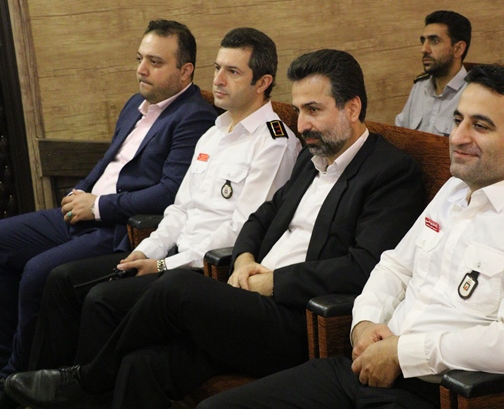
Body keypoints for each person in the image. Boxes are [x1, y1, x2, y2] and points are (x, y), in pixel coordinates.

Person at [3, 49, 426, 409]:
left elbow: (363, 266)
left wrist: (274, 283)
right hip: (246, 299)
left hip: (301, 320)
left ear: (352, 108)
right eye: (298, 110)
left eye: (314, 110)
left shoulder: (390, 172)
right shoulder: (312, 155)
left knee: (176, 288)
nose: (302, 124)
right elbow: (262, 216)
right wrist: (243, 258)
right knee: (140, 365)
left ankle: (86, 381)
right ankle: (89, 383)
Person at [196, 63, 504, 409]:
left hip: (439, 394)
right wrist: (365, 323)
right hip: (366, 364)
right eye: (458, 120)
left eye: (480, 126)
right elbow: (394, 268)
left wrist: (403, 353)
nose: (458, 137)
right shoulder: (454, 190)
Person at [26, 27, 301, 380]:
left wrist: (163, 265)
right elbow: (180, 209)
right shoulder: (213, 133)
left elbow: (243, 230)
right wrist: (147, 251)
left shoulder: (274, 144)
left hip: (205, 272)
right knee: (63, 279)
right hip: (171, 255)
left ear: (262, 82)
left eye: (233, 72)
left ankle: (84, 388)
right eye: (217, 67)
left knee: (101, 300)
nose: (218, 80)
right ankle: (41, 386)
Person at [0, 18, 215, 388]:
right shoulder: (136, 104)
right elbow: (109, 161)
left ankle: (16, 380)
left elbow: (169, 192)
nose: (141, 70)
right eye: (139, 58)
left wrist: (97, 205)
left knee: (38, 273)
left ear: (186, 71)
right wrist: (79, 190)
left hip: (120, 227)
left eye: (155, 62)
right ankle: (4, 358)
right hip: (84, 210)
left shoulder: (194, 116)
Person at [395, 10, 472, 136]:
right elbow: (400, 135)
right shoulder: (419, 87)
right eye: (423, 41)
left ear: (458, 49)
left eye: (434, 41)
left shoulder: (475, 93)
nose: (424, 49)